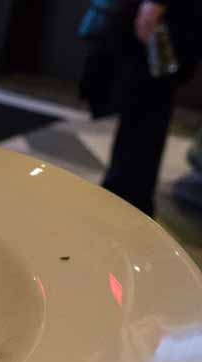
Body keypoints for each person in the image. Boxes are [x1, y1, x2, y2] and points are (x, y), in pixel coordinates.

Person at [79, 0, 200, 217]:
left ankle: (126, 203)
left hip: (163, 17)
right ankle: (126, 199)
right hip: (158, 16)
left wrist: (155, 3)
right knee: (142, 108)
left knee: (146, 107)